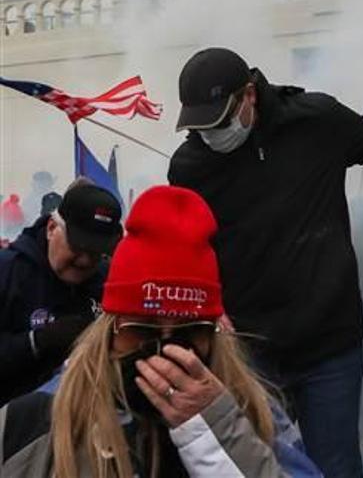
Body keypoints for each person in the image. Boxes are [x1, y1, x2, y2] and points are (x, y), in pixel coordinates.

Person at [168, 47, 363, 478]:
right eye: (202, 127)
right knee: (254, 466)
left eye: (221, 122)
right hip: (249, 352)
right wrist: (210, 305)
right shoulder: (190, 166)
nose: (213, 135)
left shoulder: (313, 120)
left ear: (249, 96)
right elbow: (189, 248)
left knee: (335, 467)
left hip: (328, 346)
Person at [0, 184, 316, 478]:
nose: (166, 349)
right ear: (111, 330)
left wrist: (219, 433)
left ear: (215, 332)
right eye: (143, 330)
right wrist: (33, 343)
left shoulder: (252, 411)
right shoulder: (34, 421)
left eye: (189, 331)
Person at [0, 181, 123, 406]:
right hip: (12, 426)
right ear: (51, 229)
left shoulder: (108, 281)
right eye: (77, 247)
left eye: (96, 253)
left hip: (84, 417)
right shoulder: (8, 272)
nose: (85, 261)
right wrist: (36, 341)